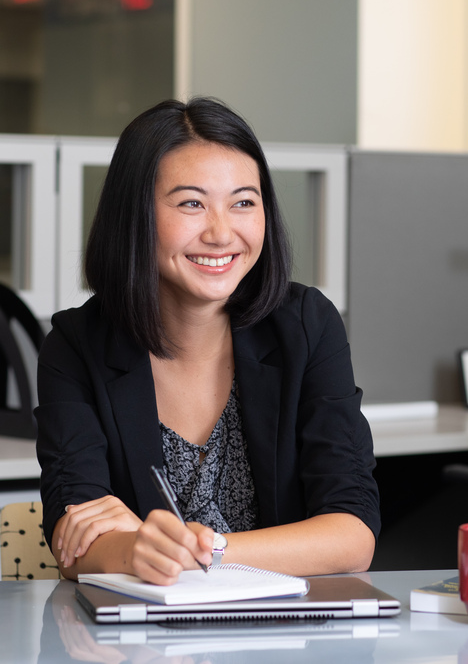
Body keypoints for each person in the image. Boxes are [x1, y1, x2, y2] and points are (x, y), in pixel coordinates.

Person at [35, 97, 380, 585]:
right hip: (144, 647)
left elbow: (352, 536)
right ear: (134, 215)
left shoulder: (305, 325)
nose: (222, 233)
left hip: (289, 639)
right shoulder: (77, 346)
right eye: (191, 203)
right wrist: (130, 549)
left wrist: (195, 549)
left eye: (243, 202)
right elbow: (74, 543)